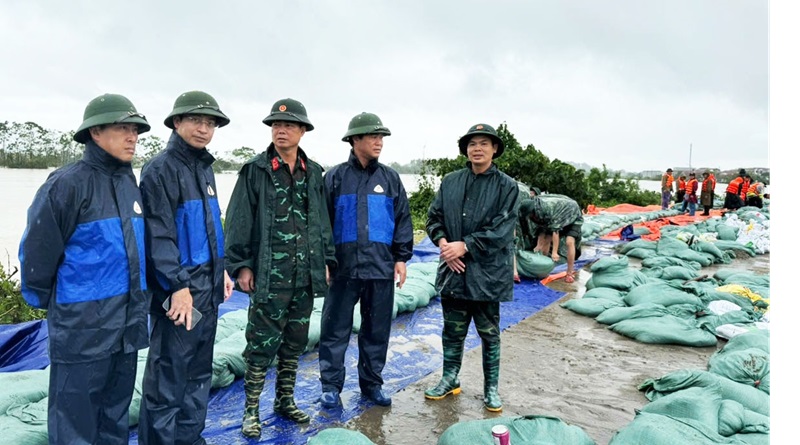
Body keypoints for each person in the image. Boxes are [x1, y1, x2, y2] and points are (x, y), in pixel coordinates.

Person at [18, 93, 151, 444]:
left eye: (135, 130)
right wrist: (58, 305)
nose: (132, 137)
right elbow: (37, 253)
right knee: (74, 423)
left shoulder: (128, 183)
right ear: (95, 133)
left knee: (115, 418)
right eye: (123, 128)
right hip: (81, 329)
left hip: (126, 327)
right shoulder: (66, 184)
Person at [224, 98, 336, 437]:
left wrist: (327, 261)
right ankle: (251, 411)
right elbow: (239, 221)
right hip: (268, 275)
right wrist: (241, 266)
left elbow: (322, 222)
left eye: (287, 126)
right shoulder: (255, 170)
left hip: (304, 276)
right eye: (275, 125)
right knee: (260, 344)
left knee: (294, 342)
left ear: (302, 131)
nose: (280, 130)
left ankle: (284, 401)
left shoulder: (314, 172)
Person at [137, 91, 235, 444]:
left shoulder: (205, 168)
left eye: (210, 123)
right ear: (177, 122)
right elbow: (158, 236)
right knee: (167, 380)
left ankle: (190, 438)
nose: (204, 128)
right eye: (196, 120)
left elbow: (211, 227)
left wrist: (221, 269)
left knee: (198, 375)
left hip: (207, 291)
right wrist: (177, 286)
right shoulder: (160, 170)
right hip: (179, 296)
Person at [318, 112, 414, 409]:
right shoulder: (334, 178)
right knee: (335, 329)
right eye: (373, 136)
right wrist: (324, 258)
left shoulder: (390, 178)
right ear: (354, 139)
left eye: (382, 137)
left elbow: (402, 220)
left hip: (380, 268)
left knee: (376, 330)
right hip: (343, 269)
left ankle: (371, 384)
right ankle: (331, 387)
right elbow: (322, 222)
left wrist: (401, 257)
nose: (379, 142)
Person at [424, 123, 520, 413]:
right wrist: (444, 245)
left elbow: (503, 230)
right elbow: (433, 218)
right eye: (472, 144)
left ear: (494, 150)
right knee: (452, 331)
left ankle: (491, 388)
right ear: (465, 149)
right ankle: (449, 378)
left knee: (489, 333)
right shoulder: (451, 181)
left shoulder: (507, 186)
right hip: (453, 271)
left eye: (484, 144)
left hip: (487, 275)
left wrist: (464, 246)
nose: (477, 149)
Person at [518, 194, 584, 282]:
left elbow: (555, 231)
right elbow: (542, 231)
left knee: (569, 241)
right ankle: (543, 269)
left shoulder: (546, 209)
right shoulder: (534, 214)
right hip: (557, 218)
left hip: (572, 215)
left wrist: (554, 252)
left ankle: (569, 273)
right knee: (546, 240)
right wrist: (538, 246)